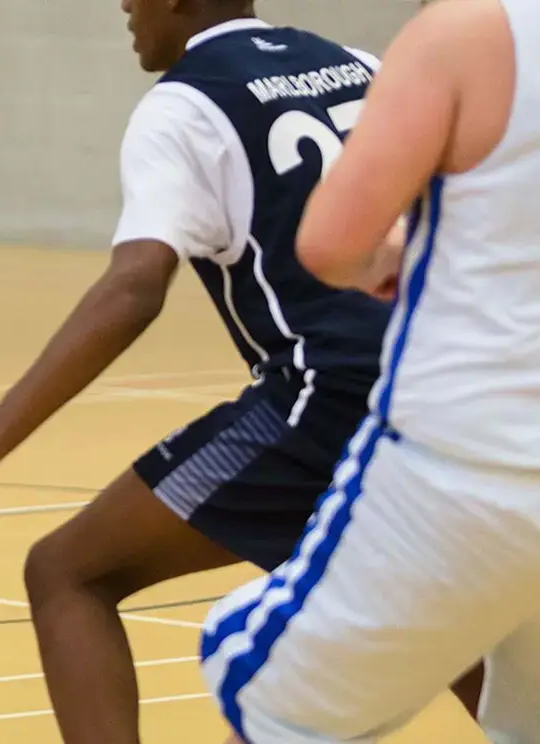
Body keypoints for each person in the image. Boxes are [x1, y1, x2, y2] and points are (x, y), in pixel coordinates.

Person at [0, 1, 481, 741]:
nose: (123, 6)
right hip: (442, 385)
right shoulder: (361, 65)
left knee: (67, 574)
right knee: (451, 618)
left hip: (326, 397)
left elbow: (135, 285)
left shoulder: (185, 103)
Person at [200, 0, 540, 740]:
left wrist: (394, 254)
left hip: (473, 472)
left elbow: (330, 245)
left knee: (276, 708)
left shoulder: (462, 34)